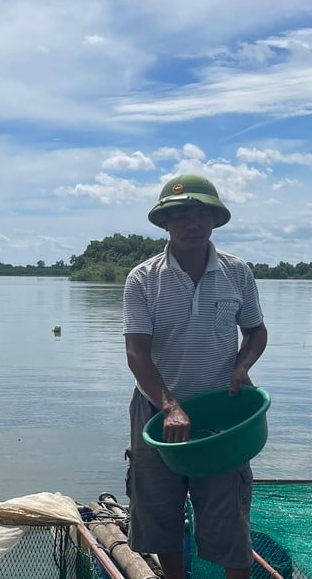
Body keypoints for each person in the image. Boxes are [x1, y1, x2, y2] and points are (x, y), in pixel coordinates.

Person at [123, 174, 268, 579]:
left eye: (201, 213)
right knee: (158, 509)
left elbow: (255, 331)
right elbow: (137, 352)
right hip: (155, 411)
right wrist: (170, 407)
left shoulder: (237, 273)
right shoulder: (143, 278)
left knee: (228, 510)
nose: (192, 222)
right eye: (181, 213)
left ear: (214, 221)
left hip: (220, 413)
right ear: (165, 222)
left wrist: (241, 367)